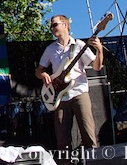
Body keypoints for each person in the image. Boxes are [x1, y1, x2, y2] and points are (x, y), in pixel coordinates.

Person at [34, 15, 103, 159]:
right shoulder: (50, 49)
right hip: (60, 97)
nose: (52, 28)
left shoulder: (79, 45)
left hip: (79, 92)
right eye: (51, 26)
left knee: (88, 133)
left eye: (55, 25)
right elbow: (38, 71)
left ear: (65, 25)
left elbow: (96, 67)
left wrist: (100, 50)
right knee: (62, 140)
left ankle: (94, 160)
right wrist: (44, 74)